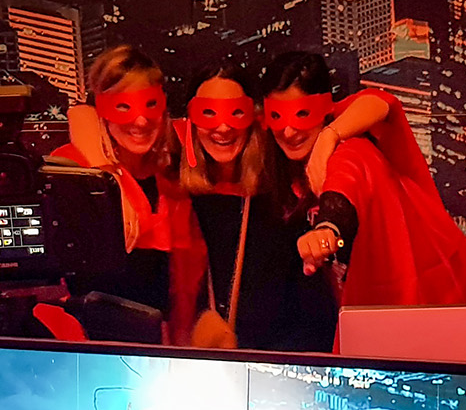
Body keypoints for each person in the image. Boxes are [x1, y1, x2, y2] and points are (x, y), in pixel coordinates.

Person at [257, 52, 466, 332]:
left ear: (326, 108)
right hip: (394, 311)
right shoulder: (290, 174)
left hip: (439, 302)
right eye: (277, 116)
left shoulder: (351, 151)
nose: (289, 130)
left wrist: (327, 230)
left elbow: (376, 113)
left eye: (302, 114)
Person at [176, 61, 337, 351]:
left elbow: (311, 314)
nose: (223, 127)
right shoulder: (172, 183)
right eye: (208, 112)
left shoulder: (279, 192)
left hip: (275, 362)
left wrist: (330, 136)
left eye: (236, 112)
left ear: (254, 116)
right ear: (190, 120)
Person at [55, 45, 203, 342]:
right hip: (86, 350)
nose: (140, 121)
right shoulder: (70, 170)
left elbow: (183, 285)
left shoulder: (173, 175)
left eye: (150, 105)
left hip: (161, 349)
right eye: (123, 106)